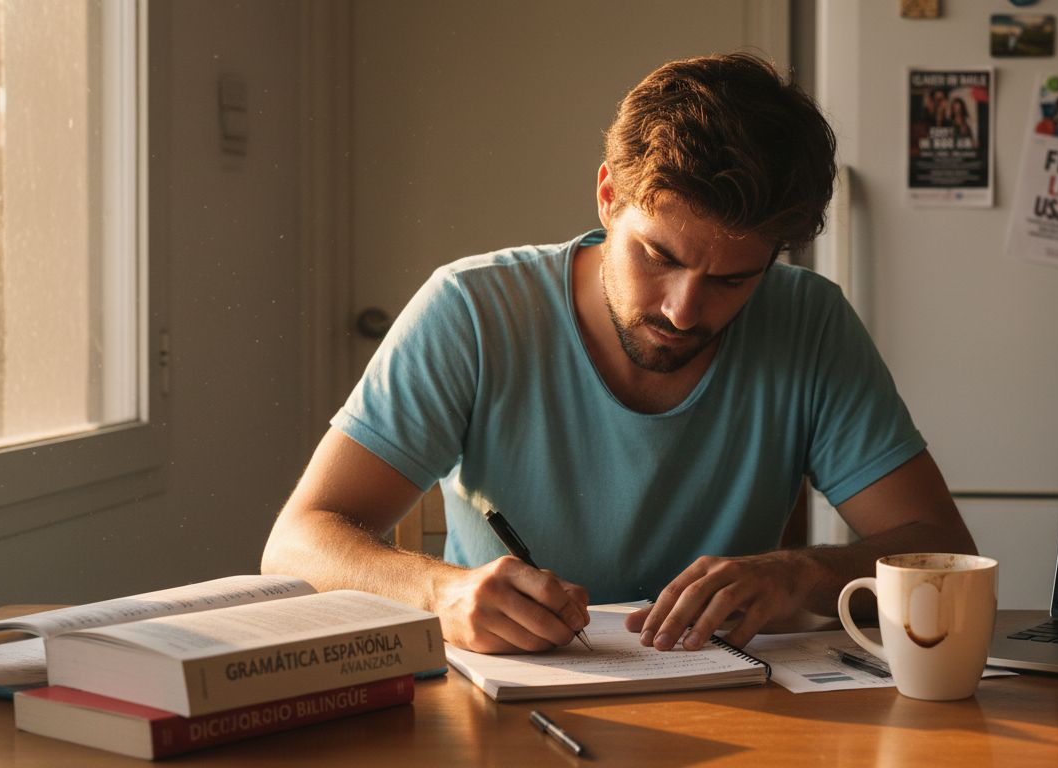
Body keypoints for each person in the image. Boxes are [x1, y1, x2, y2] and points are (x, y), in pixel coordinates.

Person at [261, 53, 976, 655]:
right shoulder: (471, 311)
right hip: (505, 709)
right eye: (658, 256)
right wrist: (443, 591)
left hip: (738, 704)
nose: (683, 309)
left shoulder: (810, 323)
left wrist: (799, 575)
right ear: (608, 196)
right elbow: (296, 544)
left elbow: (942, 550)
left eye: (732, 279)